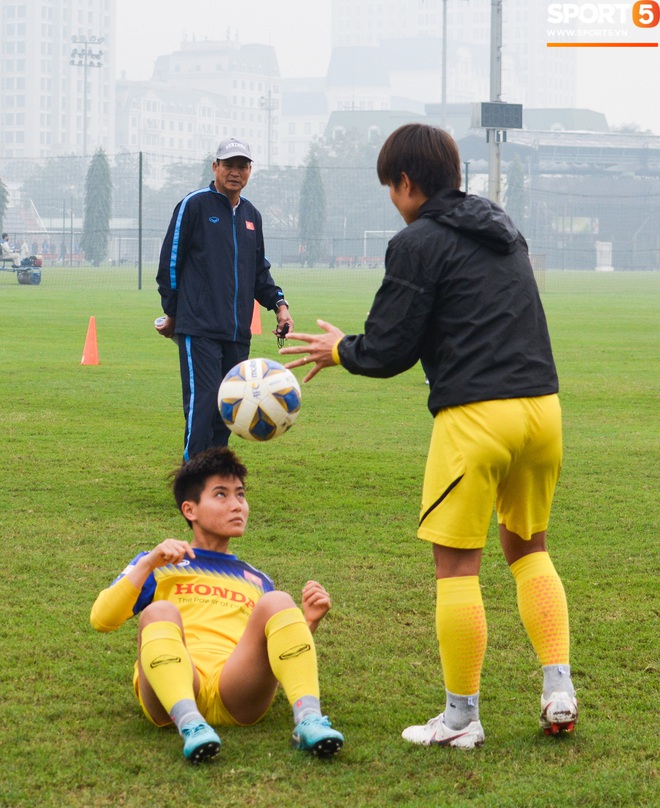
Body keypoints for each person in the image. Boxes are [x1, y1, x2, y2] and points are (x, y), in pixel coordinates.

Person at [280, 123, 577, 749]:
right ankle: (558, 690)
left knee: (457, 567)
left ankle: (461, 720)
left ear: (408, 183)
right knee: (528, 550)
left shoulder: (418, 242)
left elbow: (389, 349)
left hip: (478, 419)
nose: (393, 199)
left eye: (391, 188)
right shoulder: (500, 226)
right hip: (543, 410)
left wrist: (340, 350)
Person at [90, 446, 344, 763]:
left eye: (240, 495)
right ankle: (190, 723)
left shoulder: (256, 578)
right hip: (172, 690)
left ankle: (308, 721)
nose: (237, 505)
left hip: (234, 690)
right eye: (221, 495)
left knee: (277, 601)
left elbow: (268, 658)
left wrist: (308, 623)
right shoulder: (161, 564)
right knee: (159, 611)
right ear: (190, 510)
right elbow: (101, 619)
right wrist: (148, 564)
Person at [156, 138, 294, 460]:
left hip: (236, 333)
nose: (235, 172)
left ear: (249, 171)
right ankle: (193, 479)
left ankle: (215, 476)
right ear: (215, 167)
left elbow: (259, 271)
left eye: (242, 166)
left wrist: (280, 307)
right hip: (199, 328)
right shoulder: (193, 205)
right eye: (228, 165)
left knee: (229, 407)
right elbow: (170, 264)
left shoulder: (251, 216)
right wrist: (173, 314)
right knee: (203, 403)